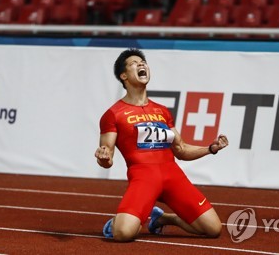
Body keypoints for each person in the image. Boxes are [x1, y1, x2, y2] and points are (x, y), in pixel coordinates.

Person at [95, 48, 229, 242]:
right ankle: (114, 224)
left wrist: (210, 149)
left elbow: (181, 150)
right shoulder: (113, 114)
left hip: (172, 176)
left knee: (213, 229)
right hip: (143, 177)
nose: (141, 64)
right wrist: (104, 158)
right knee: (123, 234)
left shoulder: (162, 111)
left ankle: (163, 219)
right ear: (123, 75)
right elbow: (107, 158)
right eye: (134, 63)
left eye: (143, 62)